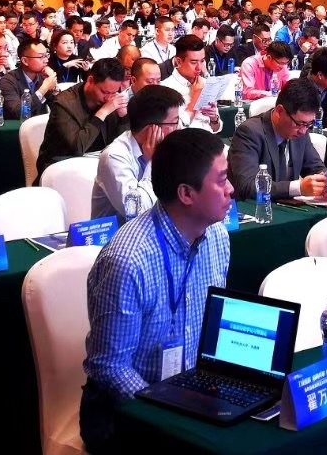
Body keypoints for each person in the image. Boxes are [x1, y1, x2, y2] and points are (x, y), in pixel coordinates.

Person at [81, 129, 231, 453]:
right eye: (221, 180)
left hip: (191, 391)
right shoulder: (128, 260)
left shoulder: (218, 237)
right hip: (124, 411)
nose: (231, 189)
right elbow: (110, 367)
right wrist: (169, 411)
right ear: (186, 194)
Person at [92, 85, 186, 219]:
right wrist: (154, 162)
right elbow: (136, 211)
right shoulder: (114, 156)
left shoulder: (169, 147)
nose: (178, 129)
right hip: (118, 231)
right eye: (174, 123)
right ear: (152, 129)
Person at [226, 78, 327, 200]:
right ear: (279, 111)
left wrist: (326, 181)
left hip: (288, 206)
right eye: (299, 124)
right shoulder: (249, 132)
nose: (303, 131)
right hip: (253, 208)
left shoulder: (301, 131)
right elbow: (248, 186)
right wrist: (298, 188)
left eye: (309, 124)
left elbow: (316, 168)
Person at [33, 58, 130, 180]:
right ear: (90, 80)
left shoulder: (111, 100)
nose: (109, 98)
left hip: (97, 166)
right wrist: (102, 113)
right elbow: (77, 147)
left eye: (114, 92)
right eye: (105, 92)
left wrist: (123, 118)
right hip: (61, 168)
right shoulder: (63, 103)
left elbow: (122, 145)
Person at [159, 34, 221, 132]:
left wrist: (214, 119)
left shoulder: (206, 83)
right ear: (179, 61)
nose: (199, 68)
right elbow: (177, 129)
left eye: (202, 61)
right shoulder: (165, 88)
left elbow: (216, 128)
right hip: (186, 139)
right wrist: (196, 98)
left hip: (210, 137)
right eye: (193, 62)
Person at [0, 37, 58, 119]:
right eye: (41, 57)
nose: (46, 60)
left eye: (46, 55)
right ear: (25, 61)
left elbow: (59, 108)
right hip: (17, 126)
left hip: (40, 125)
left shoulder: (43, 77)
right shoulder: (7, 81)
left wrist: (54, 88)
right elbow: (19, 112)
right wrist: (44, 88)